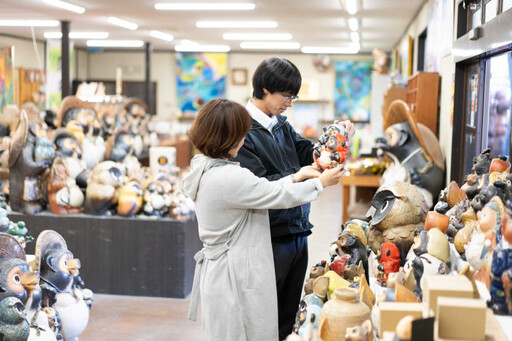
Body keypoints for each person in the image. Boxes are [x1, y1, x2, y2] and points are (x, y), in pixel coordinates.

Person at [184, 98, 345, 341]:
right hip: (234, 275)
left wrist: (298, 175)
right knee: (245, 333)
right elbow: (274, 195)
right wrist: (320, 183)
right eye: (242, 134)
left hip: (224, 270)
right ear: (229, 137)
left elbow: (260, 189)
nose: (244, 139)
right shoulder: (228, 176)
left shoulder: (205, 166)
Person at [232, 57, 354, 339]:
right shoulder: (242, 133)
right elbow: (260, 189)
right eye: (285, 96)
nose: (289, 103)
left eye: (293, 97)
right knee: (264, 318)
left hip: (298, 231)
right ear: (264, 88)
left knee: (288, 316)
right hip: (269, 238)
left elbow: (311, 153)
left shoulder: (280, 125)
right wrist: (309, 179)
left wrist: (337, 138)